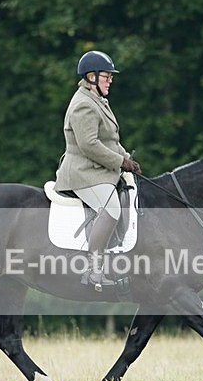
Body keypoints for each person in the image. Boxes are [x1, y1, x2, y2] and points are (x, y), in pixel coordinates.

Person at [55, 50, 141, 291]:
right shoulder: (83, 104)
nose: (110, 81)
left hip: (99, 169)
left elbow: (111, 140)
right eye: (106, 77)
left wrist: (126, 158)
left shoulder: (97, 100)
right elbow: (89, 145)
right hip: (83, 172)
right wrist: (120, 162)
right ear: (91, 77)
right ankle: (93, 270)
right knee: (111, 209)